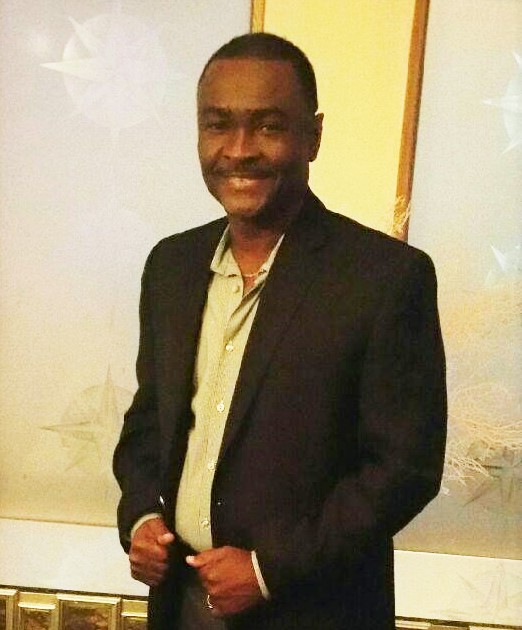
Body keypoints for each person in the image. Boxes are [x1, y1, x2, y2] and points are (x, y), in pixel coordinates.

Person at [113, 32, 447, 630]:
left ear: (312, 137)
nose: (239, 150)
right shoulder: (170, 266)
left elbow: (404, 469)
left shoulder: (385, 278)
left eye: (268, 126)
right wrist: (139, 517)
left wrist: (269, 569)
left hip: (312, 609)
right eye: (218, 125)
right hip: (180, 601)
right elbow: (148, 424)